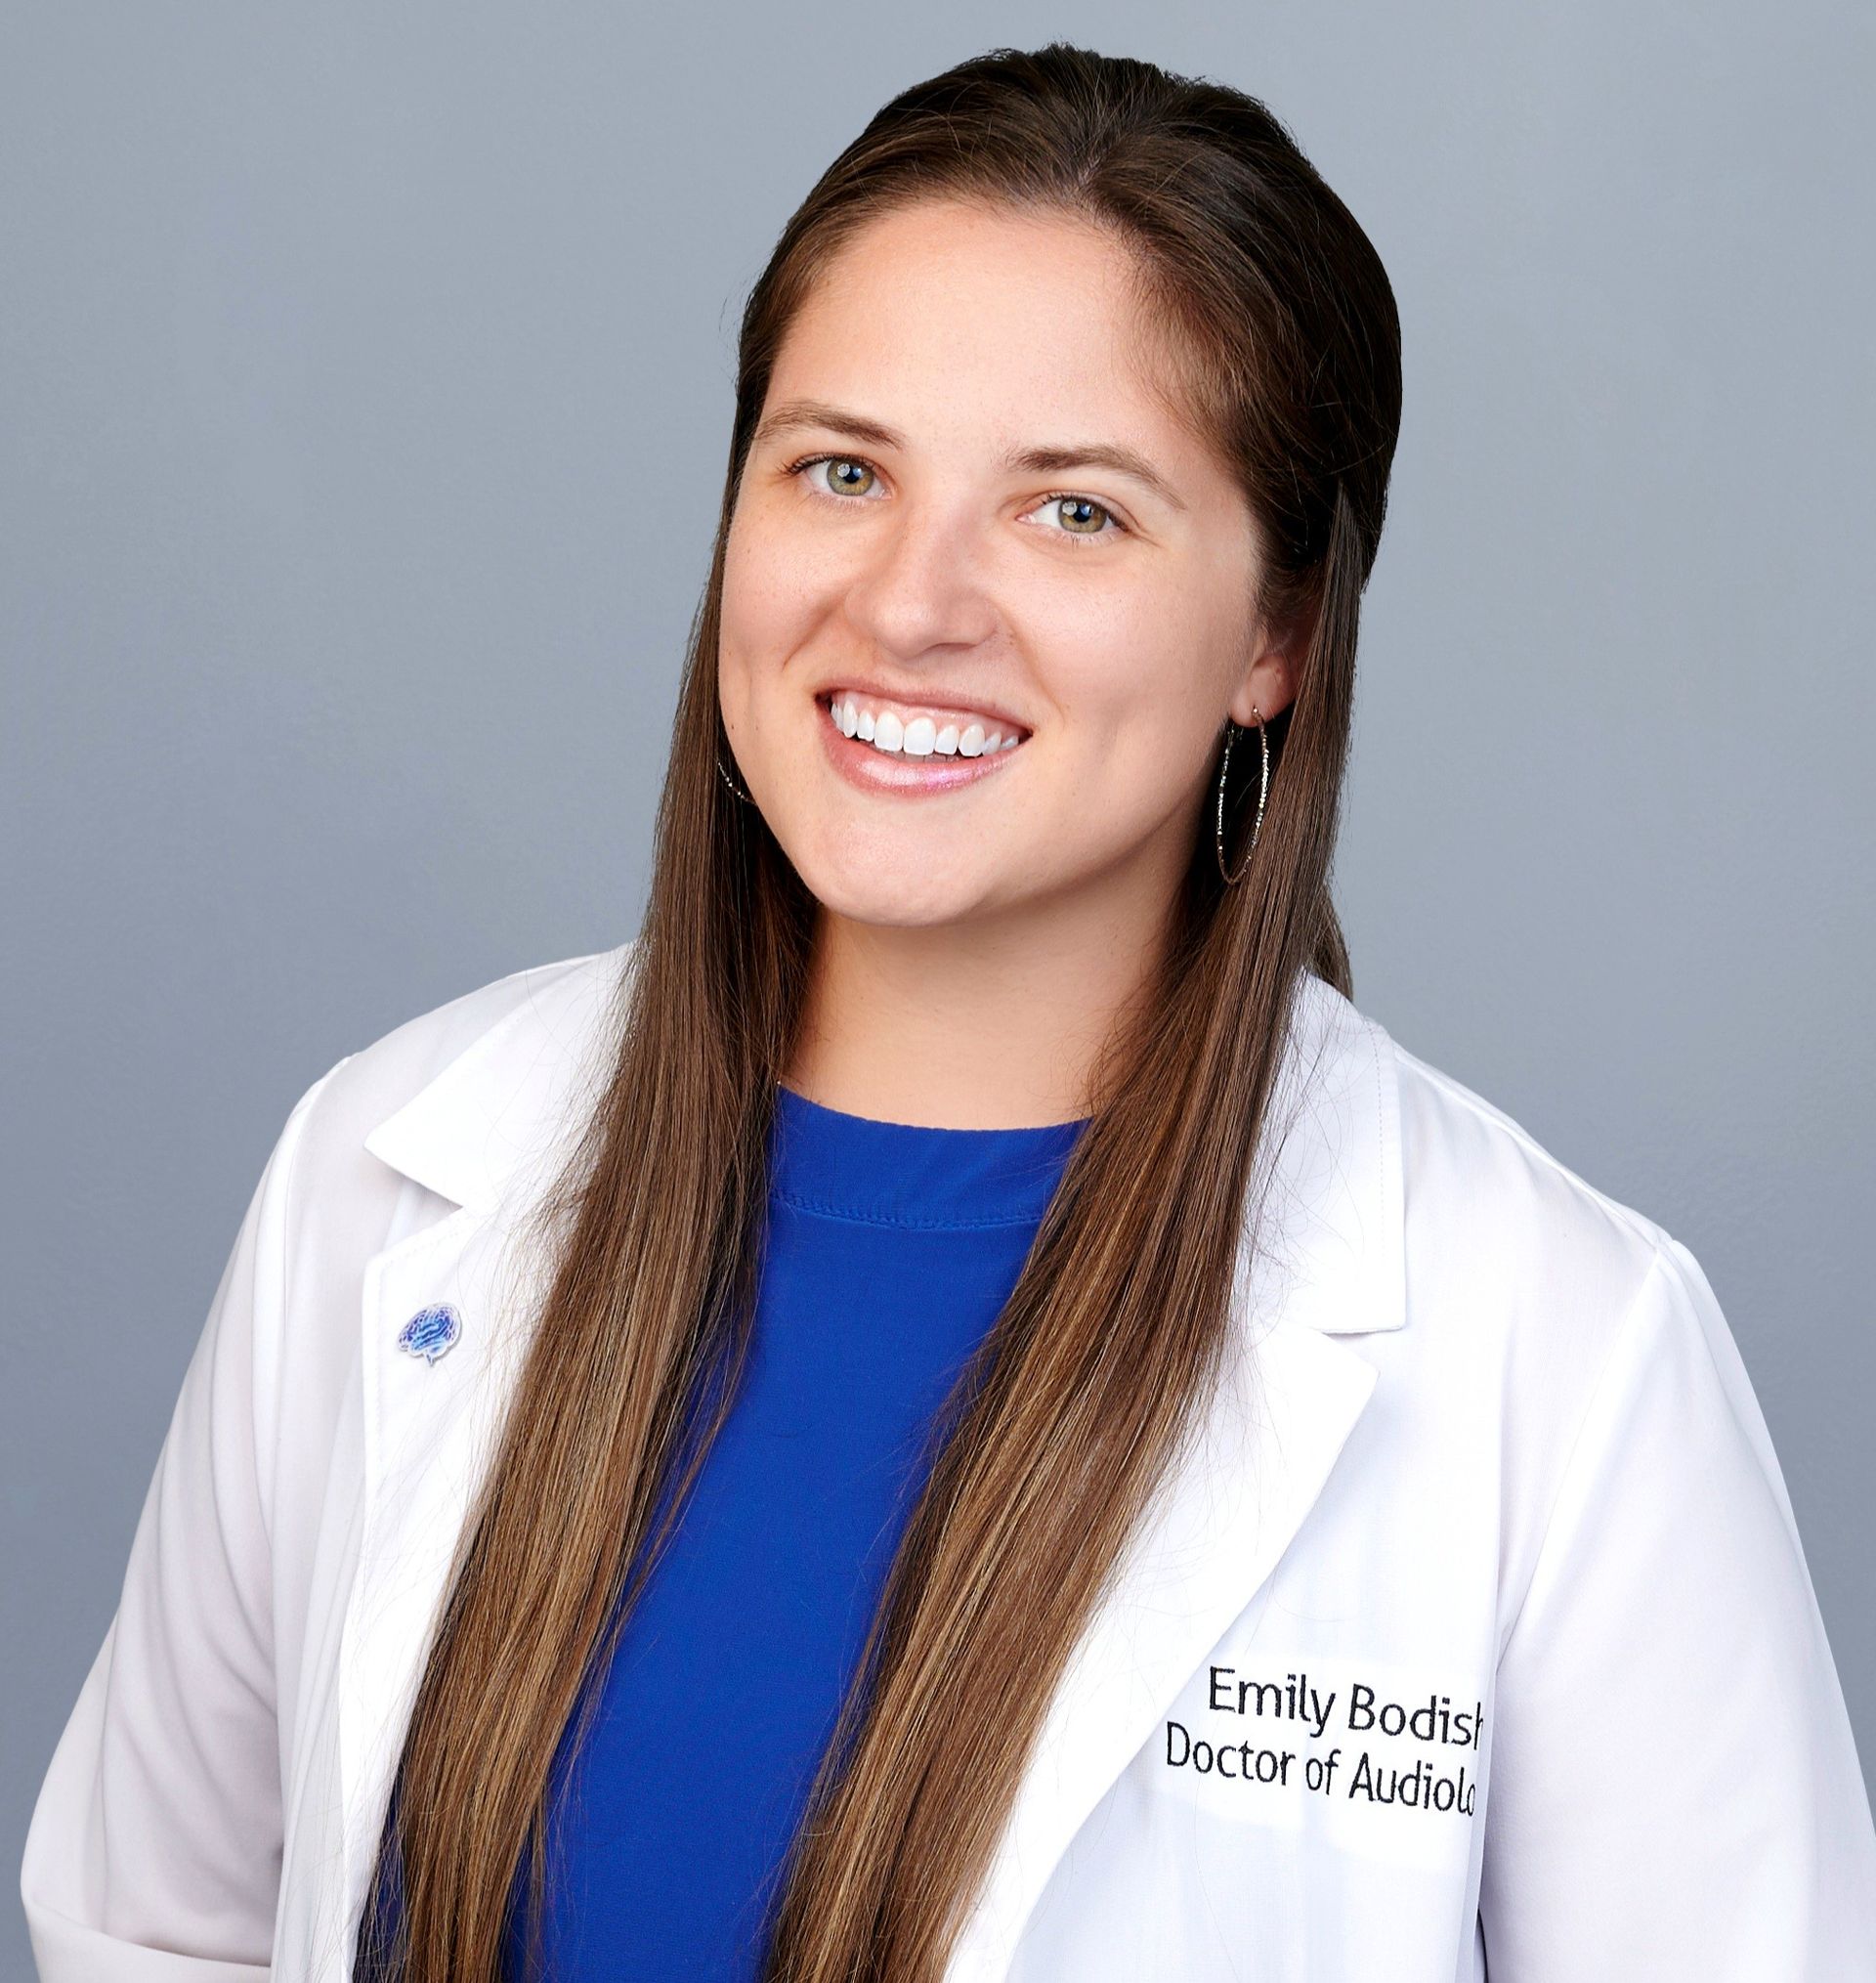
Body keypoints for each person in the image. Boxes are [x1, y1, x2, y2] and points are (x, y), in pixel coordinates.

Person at [21, 39, 1876, 1983]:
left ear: (1278, 636)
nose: (912, 605)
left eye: (1072, 512)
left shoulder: (1561, 1363)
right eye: (840, 468)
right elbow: (151, 1928)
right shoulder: (383, 1170)